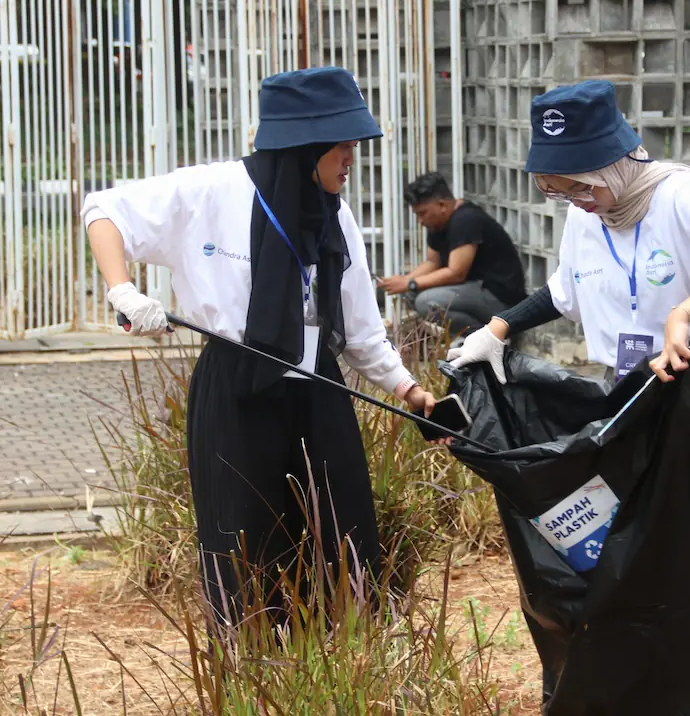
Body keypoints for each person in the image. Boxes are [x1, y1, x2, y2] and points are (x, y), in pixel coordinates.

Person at [81, 66, 437, 627]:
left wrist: (408, 388)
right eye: (342, 146)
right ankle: (255, 669)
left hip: (318, 388)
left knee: (340, 533)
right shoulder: (209, 191)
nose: (351, 159)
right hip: (237, 388)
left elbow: (361, 328)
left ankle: (341, 667)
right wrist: (122, 288)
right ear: (305, 145)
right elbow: (104, 211)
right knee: (244, 538)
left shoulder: (334, 213)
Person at [446, 79, 690, 639]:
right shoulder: (588, 215)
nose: (576, 201)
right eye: (560, 193)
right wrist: (498, 329)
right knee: (645, 533)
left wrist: (682, 314)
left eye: (581, 187)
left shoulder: (679, 194)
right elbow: (565, 290)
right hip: (627, 391)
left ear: (613, 161)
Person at [377, 170, 526, 335]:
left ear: (441, 205)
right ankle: (480, 336)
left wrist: (410, 283)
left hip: (499, 297)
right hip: (474, 289)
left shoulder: (465, 220)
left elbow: (456, 273)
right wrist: (404, 281)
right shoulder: (437, 223)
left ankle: (488, 338)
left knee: (425, 302)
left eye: (422, 213)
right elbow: (432, 262)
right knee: (411, 295)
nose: (420, 220)